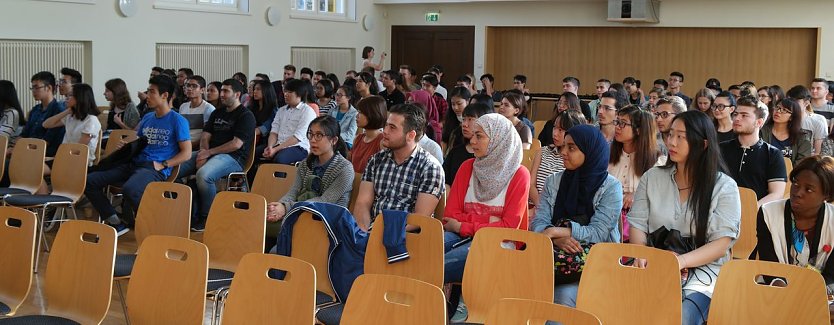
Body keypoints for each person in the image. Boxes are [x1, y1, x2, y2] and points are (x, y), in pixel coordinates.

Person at [628, 110, 741, 325]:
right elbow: (638, 224)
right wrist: (641, 254)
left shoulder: (724, 187)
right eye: (671, 134)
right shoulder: (653, 177)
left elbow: (721, 244)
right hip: (655, 262)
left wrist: (679, 262)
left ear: (703, 144)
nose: (672, 141)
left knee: (679, 317)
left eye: (681, 136)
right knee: (622, 307)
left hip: (703, 272)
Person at [443, 113, 530, 322]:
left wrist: (465, 224)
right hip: (464, 236)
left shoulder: (519, 174)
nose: (472, 141)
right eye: (472, 135)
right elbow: (449, 216)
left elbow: (508, 228)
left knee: (435, 265)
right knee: (425, 250)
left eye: (479, 136)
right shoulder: (467, 168)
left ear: (498, 139)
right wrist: (489, 222)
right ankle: (439, 304)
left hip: (500, 244)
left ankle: (465, 301)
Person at [84, 75, 192, 236]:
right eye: (148, 91)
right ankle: (116, 222)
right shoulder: (148, 117)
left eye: (152, 92)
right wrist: (127, 147)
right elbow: (140, 140)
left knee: (131, 189)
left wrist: (164, 164)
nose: (147, 96)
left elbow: (187, 153)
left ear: (165, 95)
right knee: (89, 181)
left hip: (154, 167)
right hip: (134, 163)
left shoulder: (178, 120)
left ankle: (155, 227)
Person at [531, 124, 623, 307]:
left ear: (590, 151)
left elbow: (598, 233)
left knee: (562, 296)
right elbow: (539, 222)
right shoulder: (554, 181)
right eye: (563, 146)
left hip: (596, 263)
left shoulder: (611, 187)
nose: (563, 152)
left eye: (571, 148)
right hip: (553, 257)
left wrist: (556, 231)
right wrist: (555, 240)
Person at [352, 103, 444, 231]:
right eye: (386, 125)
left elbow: (419, 219)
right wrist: (364, 234)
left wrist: (384, 236)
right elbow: (362, 203)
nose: (385, 131)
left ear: (410, 135)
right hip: (371, 231)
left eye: (392, 128)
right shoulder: (376, 160)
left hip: (406, 238)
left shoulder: (430, 168)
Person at [179, 79, 256, 231]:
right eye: (221, 91)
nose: (222, 95)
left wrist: (208, 153)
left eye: (226, 91)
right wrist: (203, 153)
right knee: (174, 168)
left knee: (204, 175)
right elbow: (205, 136)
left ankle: (207, 216)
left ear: (238, 94)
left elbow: (236, 144)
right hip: (210, 153)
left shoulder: (246, 116)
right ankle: (184, 209)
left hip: (234, 158)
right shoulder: (217, 112)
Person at [755, 155, 834, 294]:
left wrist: (807, 295)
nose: (798, 193)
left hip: (819, 294)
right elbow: (768, 265)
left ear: (826, 195)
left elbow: (831, 275)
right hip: (776, 290)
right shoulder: (768, 213)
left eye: (808, 189)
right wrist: (784, 291)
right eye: (796, 184)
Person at [266, 116, 354, 232]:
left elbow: (324, 201)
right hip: (300, 215)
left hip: (327, 225)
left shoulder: (345, 169)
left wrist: (286, 208)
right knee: (260, 225)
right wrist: (280, 205)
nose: (312, 140)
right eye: (311, 134)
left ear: (334, 140)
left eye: (319, 135)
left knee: (275, 245)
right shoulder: (305, 164)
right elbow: (294, 191)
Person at [608, 105, 665, 242]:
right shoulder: (608, 155)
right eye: (617, 122)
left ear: (639, 130)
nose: (617, 127)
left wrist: (637, 195)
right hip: (608, 217)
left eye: (623, 123)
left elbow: (662, 195)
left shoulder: (657, 160)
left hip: (641, 223)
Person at [720, 96, 787, 207]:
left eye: (744, 115)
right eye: (736, 114)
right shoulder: (721, 149)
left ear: (759, 122)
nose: (737, 118)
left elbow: (776, 194)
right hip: (721, 211)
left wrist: (750, 210)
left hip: (755, 214)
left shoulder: (772, 154)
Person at [530, 110, 584, 206]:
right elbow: (531, 184)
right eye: (554, 127)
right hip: (534, 205)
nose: (555, 133)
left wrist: (544, 210)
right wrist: (540, 206)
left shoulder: (576, 159)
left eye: (561, 130)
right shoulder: (542, 151)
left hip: (557, 209)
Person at [42, 83, 101, 167]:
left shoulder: (91, 120)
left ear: (80, 98)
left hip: (80, 162)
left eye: (70, 95)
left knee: (35, 169)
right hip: (65, 158)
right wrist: (67, 111)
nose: (66, 98)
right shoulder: (70, 117)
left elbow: (79, 149)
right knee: (32, 165)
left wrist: (56, 158)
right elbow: (46, 124)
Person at [264, 79, 318, 165]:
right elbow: (274, 132)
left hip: (298, 147)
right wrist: (270, 147)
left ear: (299, 94)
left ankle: (279, 179)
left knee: (280, 159)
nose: (285, 94)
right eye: (285, 91)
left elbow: (298, 137)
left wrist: (275, 149)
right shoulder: (281, 110)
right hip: (279, 145)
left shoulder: (307, 111)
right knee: (256, 153)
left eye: (289, 92)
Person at [443, 103, 494, 187]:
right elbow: (445, 181)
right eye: (463, 119)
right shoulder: (455, 152)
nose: (464, 124)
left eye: (470, 119)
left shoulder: (492, 155)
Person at [23, 71, 66, 157]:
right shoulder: (35, 110)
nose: (33, 91)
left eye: (36, 87)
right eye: (32, 88)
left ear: (49, 88)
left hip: (45, 155)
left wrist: (23, 150)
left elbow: (47, 141)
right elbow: (24, 134)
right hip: (27, 151)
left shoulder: (58, 110)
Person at [760, 98, 812, 164]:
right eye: (777, 107)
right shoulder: (761, 131)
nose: (778, 111)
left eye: (784, 110)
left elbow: (802, 164)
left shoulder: (802, 138)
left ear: (792, 117)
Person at [786, 85, 827, 155]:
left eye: (796, 101)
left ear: (806, 103)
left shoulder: (818, 120)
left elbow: (818, 152)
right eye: (789, 100)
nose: (791, 104)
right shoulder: (784, 117)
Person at [350, 96, 387, 174]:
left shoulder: (382, 141)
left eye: (360, 112)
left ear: (372, 114)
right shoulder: (358, 138)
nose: (357, 116)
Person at [441, 87, 471, 154]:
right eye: (453, 104)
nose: (455, 108)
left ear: (468, 101)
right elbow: (445, 140)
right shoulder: (450, 118)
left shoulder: (474, 121)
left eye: (459, 104)